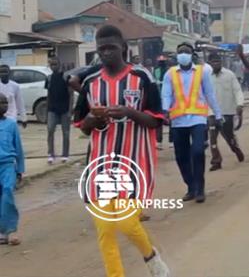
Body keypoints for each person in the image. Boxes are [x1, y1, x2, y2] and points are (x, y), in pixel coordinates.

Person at [74, 25, 170, 277]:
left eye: (111, 48)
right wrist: (92, 122)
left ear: (123, 48)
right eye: (101, 49)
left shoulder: (142, 77)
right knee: (105, 230)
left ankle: (151, 256)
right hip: (101, 166)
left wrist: (129, 112)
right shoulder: (90, 83)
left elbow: (157, 120)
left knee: (127, 223)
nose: (106, 53)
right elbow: (82, 126)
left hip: (134, 163)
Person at [161, 42, 223, 203]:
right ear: (177, 55)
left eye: (186, 51)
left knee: (197, 152)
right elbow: (166, 94)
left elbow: (210, 94)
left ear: (192, 55)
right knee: (181, 156)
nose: (183, 54)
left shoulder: (201, 72)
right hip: (178, 120)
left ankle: (200, 188)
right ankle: (191, 186)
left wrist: (218, 114)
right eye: (180, 51)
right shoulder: (170, 73)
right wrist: (165, 110)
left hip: (197, 119)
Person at [207, 53, 245, 170]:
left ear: (221, 62)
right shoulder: (206, 77)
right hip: (212, 112)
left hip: (227, 111)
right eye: (213, 62)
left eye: (218, 61)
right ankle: (216, 161)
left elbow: (237, 90)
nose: (216, 63)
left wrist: (239, 104)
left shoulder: (229, 75)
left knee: (228, 136)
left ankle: (235, 149)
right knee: (212, 137)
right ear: (210, 63)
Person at [0, 93, 24, 246]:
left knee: (8, 193)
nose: (3, 105)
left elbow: (19, 148)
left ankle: (10, 230)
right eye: (0, 102)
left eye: (5, 103)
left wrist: (20, 169)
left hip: (8, 165)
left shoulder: (11, 124)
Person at [45, 57, 73, 164]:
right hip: (52, 109)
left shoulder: (66, 77)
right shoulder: (49, 78)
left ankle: (65, 154)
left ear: (60, 65)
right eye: (52, 65)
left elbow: (71, 94)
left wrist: (70, 110)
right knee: (50, 130)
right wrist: (47, 111)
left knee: (65, 133)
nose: (54, 66)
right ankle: (50, 154)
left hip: (65, 108)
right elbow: (48, 95)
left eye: (55, 64)